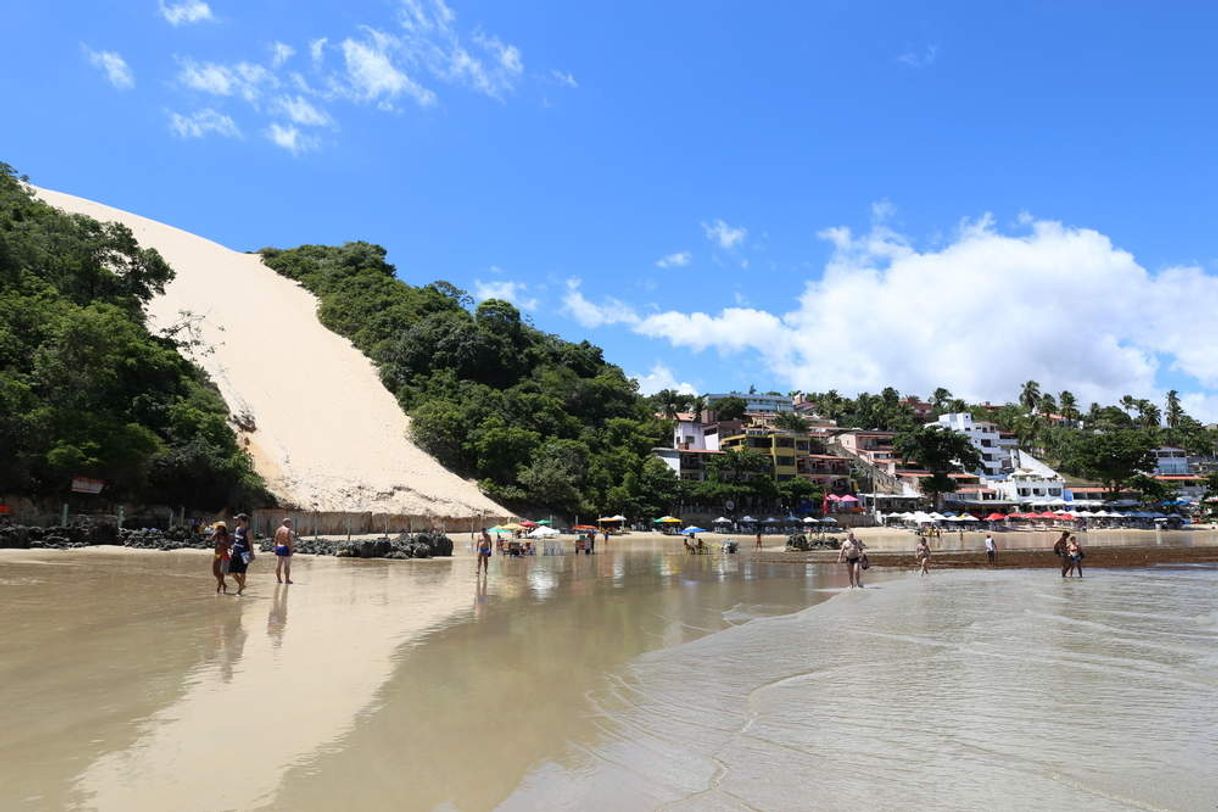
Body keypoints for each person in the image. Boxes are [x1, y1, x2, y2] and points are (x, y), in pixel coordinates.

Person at [229, 513, 255, 595]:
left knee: (242, 572)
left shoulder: (248, 530)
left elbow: (250, 543)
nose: (236, 520)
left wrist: (252, 554)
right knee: (232, 572)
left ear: (242, 520)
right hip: (235, 552)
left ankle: (239, 591)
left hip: (245, 554)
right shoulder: (237, 528)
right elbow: (235, 540)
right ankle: (242, 584)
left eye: (238, 519)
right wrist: (230, 547)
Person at [211, 521, 232, 594]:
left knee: (221, 573)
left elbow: (229, 545)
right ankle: (224, 584)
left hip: (223, 554)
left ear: (224, 528)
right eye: (218, 527)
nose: (220, 528)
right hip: (216, 554)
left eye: (221, 527)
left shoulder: (227, 535)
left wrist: (224, 542)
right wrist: (216, 532)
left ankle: (219, 587)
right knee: (215, 573)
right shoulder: (217, 534)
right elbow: (211, 539)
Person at [273, 517, 295, 584]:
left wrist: (275, 548)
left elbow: (276, 539)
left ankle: (279, 579)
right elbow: (290, 541)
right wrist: (291, 550)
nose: (290, 524)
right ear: (286, 523)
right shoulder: (288, 531)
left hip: (279, 547)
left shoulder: (278, 530)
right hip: (286, 547)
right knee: (287, 565)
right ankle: (287, 580)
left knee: (278, 565)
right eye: (289, 522)